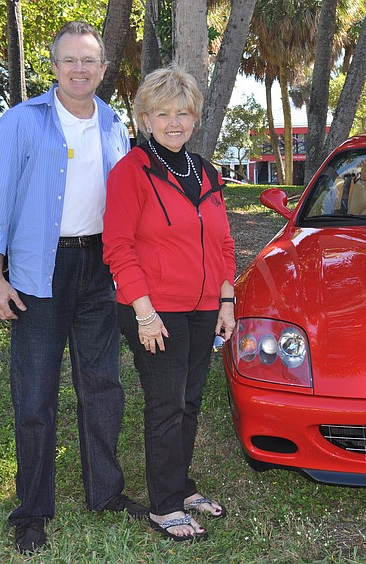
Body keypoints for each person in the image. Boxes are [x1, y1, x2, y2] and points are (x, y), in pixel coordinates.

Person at [0, 21, 146, 555]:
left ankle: (106, 492)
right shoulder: (22, 121)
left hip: (100, 267)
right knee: (35, 395)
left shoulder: (114, 124)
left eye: (88, 60)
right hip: (37, 272)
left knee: (103, 386)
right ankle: (31, 511)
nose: (79, 69)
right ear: (53, 66)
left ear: (103, 68)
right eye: (69, 59)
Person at [102, 65, 236, 543]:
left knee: (190, 401)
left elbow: (223, 243)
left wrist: (226, 300)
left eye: (182, 113)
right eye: (163, 114)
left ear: (195, 117)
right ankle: (163, 507)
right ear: (145, 119)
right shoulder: (130, 172)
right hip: (153, 311)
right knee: (166, 406)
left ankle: (180, 487)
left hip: (204, 308)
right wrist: (144, 313)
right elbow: (118, 247)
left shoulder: (206, 171)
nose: (174, 123)